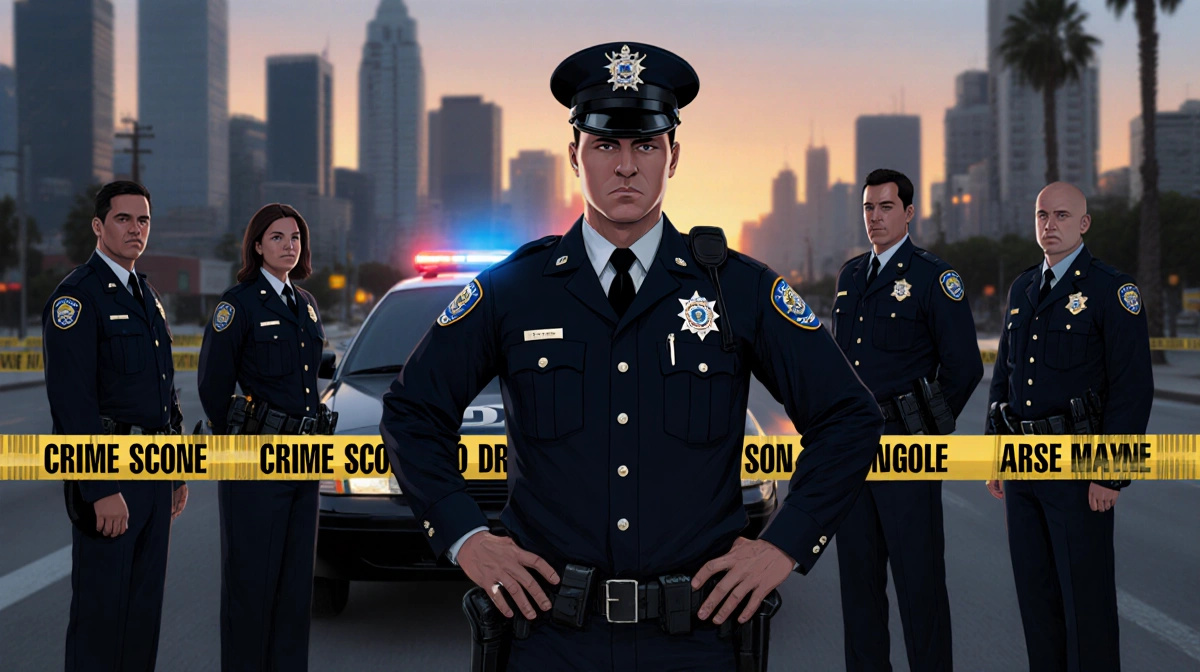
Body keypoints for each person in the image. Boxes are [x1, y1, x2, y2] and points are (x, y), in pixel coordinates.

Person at [380, 42, 884, 671]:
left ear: (674, 156)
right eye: (604, 145)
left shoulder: (738, 289)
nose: (625, 166)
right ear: (575, 155)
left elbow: (849, 417)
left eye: (645, 145)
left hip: (697, 639)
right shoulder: (515, 290)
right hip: (548, 639)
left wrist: (783, 545)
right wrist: (465, 536)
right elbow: (412, 412)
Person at [985, 181, 1152, 672]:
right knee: (1037, 602)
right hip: (1022, 468)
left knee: (1087, 603)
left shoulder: (1110, 290)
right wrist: (996, 456)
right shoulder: (1022, 288)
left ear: (1084, 224)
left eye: (1061, 216)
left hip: (1078, 470)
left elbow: (1132, 387)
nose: (1050, 225)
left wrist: (1111, 472)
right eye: (1042, 215)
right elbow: (1004, 379)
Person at [831, 168, 982, 671]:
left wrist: (925, 431)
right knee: (859, 589)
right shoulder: (850, 277)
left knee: (920, 587)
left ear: (909, 212)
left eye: (886, 207)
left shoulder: (933, 277)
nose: (875, 217)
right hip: (855, 453)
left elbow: (964, 367)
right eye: (868, 208)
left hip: (907, 451)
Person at [43, 180, 187, 671]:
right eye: (123, 219)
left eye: (143, 220)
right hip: (113, 477)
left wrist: (177, 471)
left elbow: (165, 392)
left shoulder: (147, 296)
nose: (135, 229)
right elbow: (72, 403)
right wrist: (100, 486)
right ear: (98, 225)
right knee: (101, 619)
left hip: (155, 475)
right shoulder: (77, 298)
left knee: (142, 619)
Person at [198, 203, 331, 672]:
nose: (288, 245)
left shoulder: (306, 304)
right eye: (277, 237)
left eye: (295, 237)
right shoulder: (238, 305)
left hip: (304, 464)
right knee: (251, 590)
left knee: (295, 594)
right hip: (255, 465)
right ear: (257, 246)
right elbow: (212, 386)